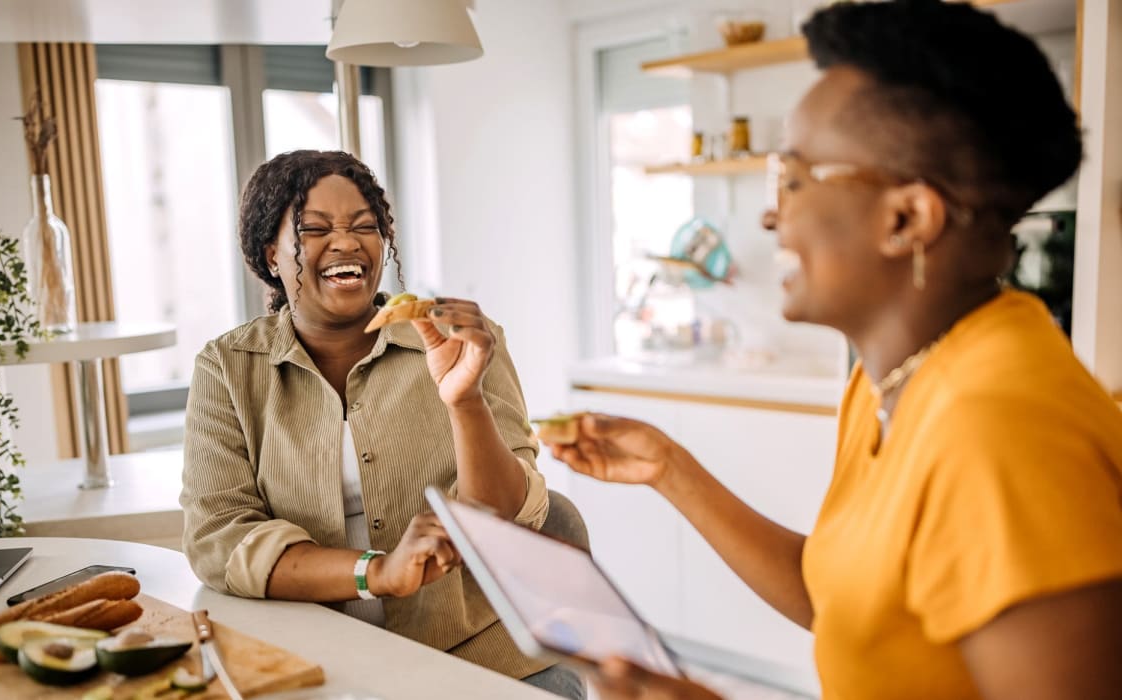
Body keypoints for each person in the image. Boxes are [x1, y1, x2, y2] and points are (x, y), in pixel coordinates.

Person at [545, 2, 1122, 699]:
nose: (770, 213)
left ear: (906, 218)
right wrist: (670, 468)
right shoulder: (894, 376)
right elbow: (840, 600)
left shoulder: (1001, 429)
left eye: (793, 178)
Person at [180, 150, 583, 699]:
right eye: (315, 229)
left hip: (484, 660)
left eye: (365, 226)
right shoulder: (228, 367)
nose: (347, 242)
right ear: (271, 254)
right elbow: (219, 539)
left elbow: (510, 516)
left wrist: (465, 402)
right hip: (316, 661)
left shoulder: (463, 342)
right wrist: (378, 571)